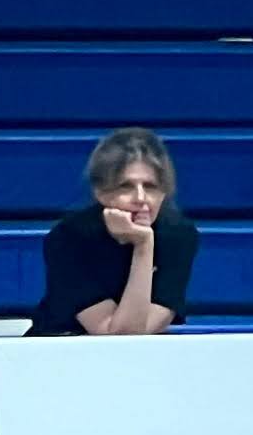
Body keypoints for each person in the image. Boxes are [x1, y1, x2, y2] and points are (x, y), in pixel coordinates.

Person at [26, 128, 199, 336]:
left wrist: (144, 244)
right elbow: (119, 336)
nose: (141, 198)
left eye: (150, 186)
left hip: (141, 353)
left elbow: (137, 335)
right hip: (59, 346)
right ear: (101, 193)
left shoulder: (178, 236)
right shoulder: (68, 238)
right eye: (126, 186)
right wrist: (144, 245)